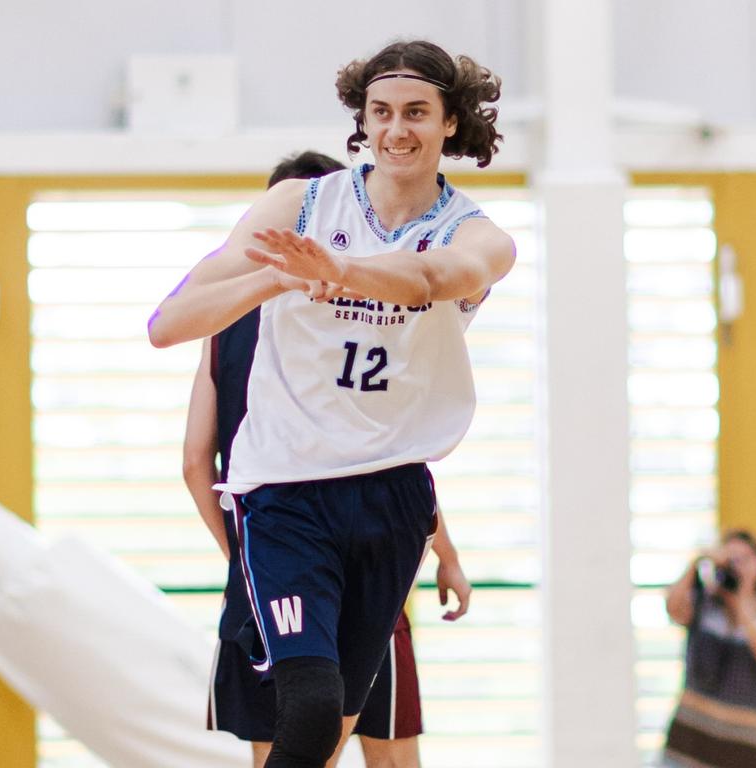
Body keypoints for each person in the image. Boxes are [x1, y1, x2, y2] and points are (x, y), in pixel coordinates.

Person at [150, 39, 514, 768]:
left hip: (391, 495)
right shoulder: (302, 203)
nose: (395, 129)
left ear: (450, 123)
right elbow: (169, 322)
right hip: (284, 490)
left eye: (416, 112)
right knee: (310, 708)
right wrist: (277, 281)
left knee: (335, 733)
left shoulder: (478, 233)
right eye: (380, 112)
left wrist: (339, 270)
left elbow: (434, 276)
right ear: (362, 120)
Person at [182, 150, 473, 768]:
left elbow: (194, 464)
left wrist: (244, 557)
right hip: (349, 532)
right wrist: (445, 549)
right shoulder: (344, 316)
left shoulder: (223, 327)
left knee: (296, 733)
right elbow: (383, 445)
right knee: (370, 746)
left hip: (276, 538)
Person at [662, 529, 756, 768]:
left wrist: (743, 599)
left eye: (744, 559)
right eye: (730, 559)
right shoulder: (706, 603)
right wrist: (698, 562)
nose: (736, 566)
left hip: (750, 751)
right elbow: (673, 608)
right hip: (692, 746)